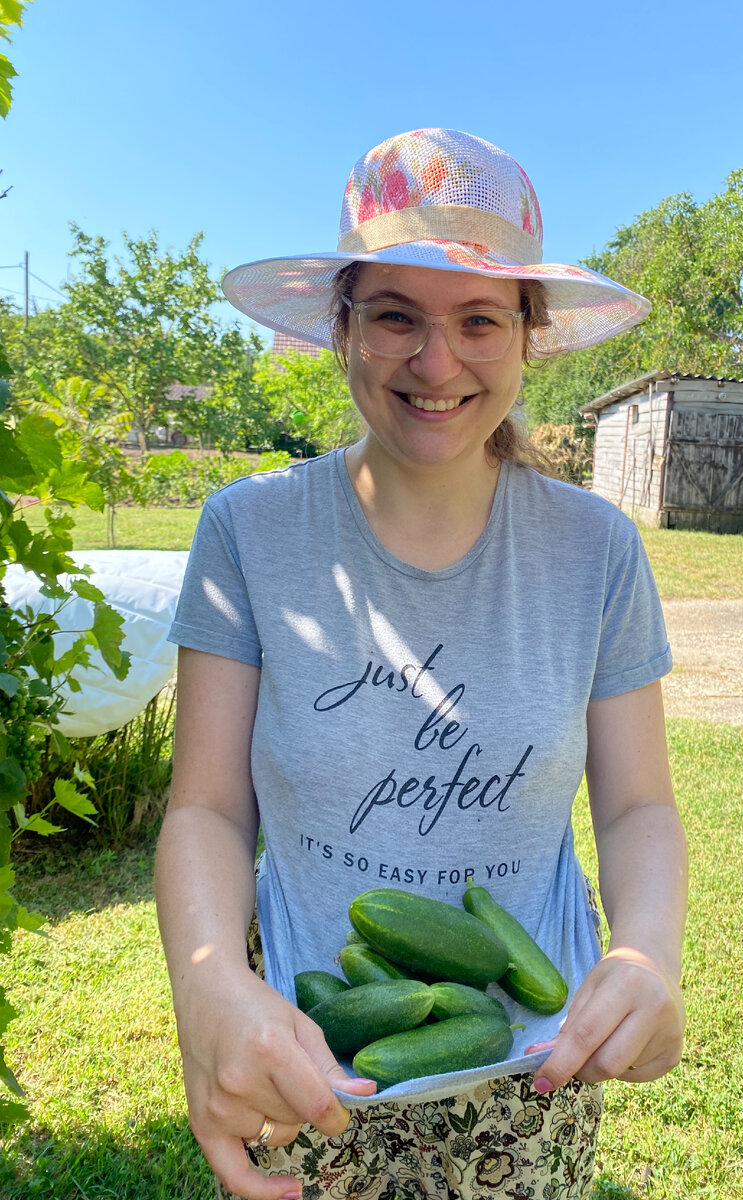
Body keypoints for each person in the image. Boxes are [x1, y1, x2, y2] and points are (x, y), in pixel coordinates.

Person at [156, 127, 688, 1200]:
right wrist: (209, 994)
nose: (436, 363)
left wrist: (645, 956)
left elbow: (637, 806)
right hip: (304, 1042)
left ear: (527, 338)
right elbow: (206, 809)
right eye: (396, 315)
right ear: (342, 328)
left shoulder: (596, 551)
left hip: (533, 1055)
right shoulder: (248, 533)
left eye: (479, 320)